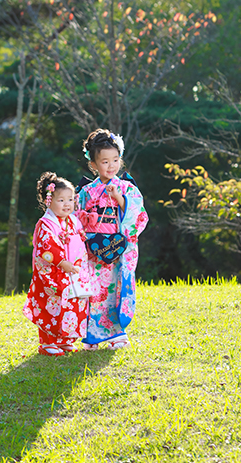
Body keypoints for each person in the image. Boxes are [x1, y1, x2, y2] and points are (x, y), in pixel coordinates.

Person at [77, 129, 148, 350]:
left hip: (119, 247)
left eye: (115, 160)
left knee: (118, 287)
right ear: (94, 165)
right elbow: (75, 218)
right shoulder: (86, 192)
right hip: (94, 249)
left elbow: (139, 217)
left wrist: (119, 198)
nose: (111, 166)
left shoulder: (128, 188)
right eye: (105, 161)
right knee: (95, 289)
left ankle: (117, 333)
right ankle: (93, 335)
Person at [23, 171, 92, 356]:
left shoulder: (73, 221)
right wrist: (62, 263)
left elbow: (80, 240)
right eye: (61, 200)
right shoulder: (46, 224)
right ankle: (47, 343)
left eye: (70, 199)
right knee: (52, 305)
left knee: (72, 304)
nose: (67, 204)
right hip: (53, 274)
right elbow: (46, 248)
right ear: (49, 201)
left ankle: (65, 340)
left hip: (72, 272)